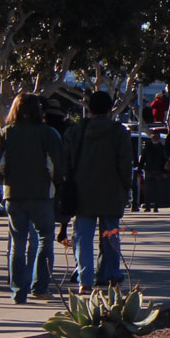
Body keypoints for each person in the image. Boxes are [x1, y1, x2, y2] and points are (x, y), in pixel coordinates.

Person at [0, 93, 65, 303]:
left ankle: (18, 290)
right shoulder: (48, 133)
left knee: (17, 242)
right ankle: (40, 286)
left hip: (14, 193)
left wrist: (5, 178)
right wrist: (55, 181)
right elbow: (56, 166)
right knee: (45, 239)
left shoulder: (6, 133)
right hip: (41, 193)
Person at [62, 91, 133, 291]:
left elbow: (65, 161)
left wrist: (67, 183)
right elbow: (125, 163)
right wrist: (126, 186)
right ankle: (110, 275)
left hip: (81, 190)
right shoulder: (119, 132)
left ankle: (84, 279)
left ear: (89, 108)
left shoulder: (76, 130)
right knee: (110, 234)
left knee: (83, 236)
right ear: (110, 108)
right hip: (111, 191)